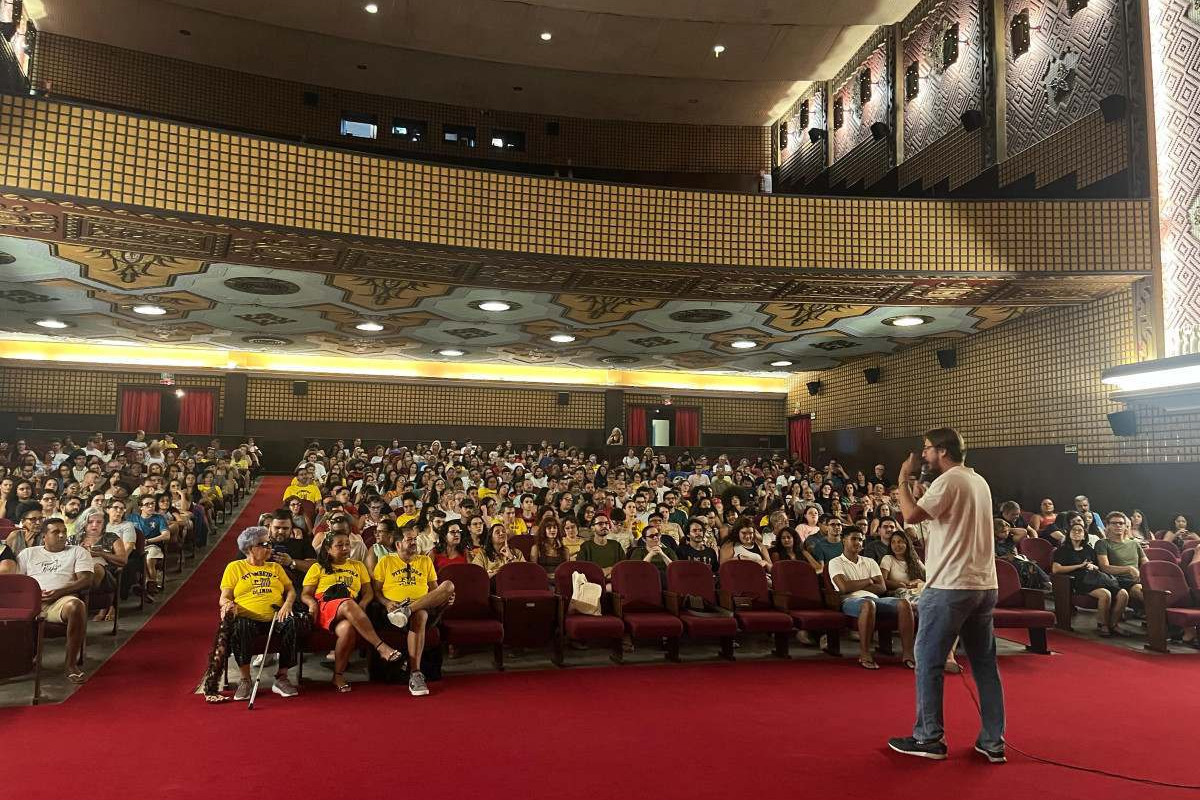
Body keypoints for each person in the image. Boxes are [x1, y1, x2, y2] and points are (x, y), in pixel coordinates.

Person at [888, 427, 1005, 764]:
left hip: (950, 585)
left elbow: (910, 516)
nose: (923, 455)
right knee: (984, 665)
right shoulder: (977, 480)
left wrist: (902, 480)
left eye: (926, 449)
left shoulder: (949, 481)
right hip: (983, 584)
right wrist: (921, 489)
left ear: (941, 451)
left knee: (927, 660)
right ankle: (993, 741)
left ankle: (928, 738)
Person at [205, 527, 300, 703]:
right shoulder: (235, 567)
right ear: (250, 548)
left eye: (269, 544)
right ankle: (245, 679)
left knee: (292, 623)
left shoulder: (275, 567)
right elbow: (224, 597)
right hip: (247, 616)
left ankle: (281, 677)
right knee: (241, 626)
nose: (269, 548)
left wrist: (287, 604)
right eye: (264, 544)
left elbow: (291, 590)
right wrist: (228, 605)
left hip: (275, 615)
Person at [301, 530, 401, 693]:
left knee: (347, 629)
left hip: (349, 607)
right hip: (325, 606)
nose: (345, 548)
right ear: (328, 548)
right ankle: (381, 646)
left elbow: (368, 592)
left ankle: (338, 675)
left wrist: (362, 604)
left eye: (347, 544)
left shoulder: (358, 566)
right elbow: (305, 594)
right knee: (348, 605)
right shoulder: (318, 567)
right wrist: (312, 605)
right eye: (339, 545)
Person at [372, 533, 456, 697]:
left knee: (448, 586)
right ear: (397, 545)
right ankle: (416, 673)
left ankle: (407, 610)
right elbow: (376, 592)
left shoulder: (425, 561)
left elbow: (435, 590)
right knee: (421, 615)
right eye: (409, 539)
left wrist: (444, 599)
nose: (413, 542)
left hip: (420, 606)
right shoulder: (386, 561)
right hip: (393, 611)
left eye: (415, 540)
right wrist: (387, 603)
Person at [828, 529, 915, 671]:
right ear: (844, 540)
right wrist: (868, 580)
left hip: (874, 599)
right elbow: (843, 587)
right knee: (868, 604)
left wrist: (855, 585)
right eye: (854, 539)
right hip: (850, 600)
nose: (858, 542)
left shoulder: (870, 562)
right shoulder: (835, 562)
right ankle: (865, 654)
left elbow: (881, 587)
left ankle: (908, 654)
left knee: (904, 604)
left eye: (861, 540)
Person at [17, 518, 91, 683]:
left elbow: (86, 579)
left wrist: (60, 592)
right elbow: (19, 581)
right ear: (44, 536)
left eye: (64, 531)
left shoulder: (77, 551)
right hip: (33, 601)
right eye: (56, 532)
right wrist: (33, 594)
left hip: (61, 600)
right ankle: (16, 663)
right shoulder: (28, 554)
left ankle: (70, 664)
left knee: (76, 606)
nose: (62, 535)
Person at [1052, 520, 1128, 637]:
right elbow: (1056, 569)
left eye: (1080, 530)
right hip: (1078, 580)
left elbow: (1098, 566)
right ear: (1069, 533)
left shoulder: (1088, 549)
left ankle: (1114, 624)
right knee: (1105, 594)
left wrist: (1093, 566)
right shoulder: (1063, 550)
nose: (1077, 532)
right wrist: (1079, 566)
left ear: (1084, 535)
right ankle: (1103, 625)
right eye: (1074, 530)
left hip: (1095, 577)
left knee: (1123, 594)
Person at [1095, 511, 1147, 607]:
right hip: (1117, 580)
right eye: (1114, 523)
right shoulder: (1102, 543)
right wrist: (1129, 569)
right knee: (1141, 591)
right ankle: (1160, 619)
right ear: (1108, 526)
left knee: (1158, 590)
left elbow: (1146, 564)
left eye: (1121, 523)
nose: (1118, 525)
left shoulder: (1134, 543)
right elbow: (1104, 567)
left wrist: (1144, 576)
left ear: (1125, 526)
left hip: (1137, 579)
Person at [576, 515, 625, 580]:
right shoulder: (585, 547)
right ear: (592, 528)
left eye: (607, 523)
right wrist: (602, 571)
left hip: (615, 581)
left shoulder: (616, 545)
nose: (605, 526)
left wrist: (610, 570)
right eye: (600, 524)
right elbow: (581, 570)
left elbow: (624, 566)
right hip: (592, 583)